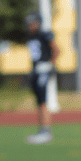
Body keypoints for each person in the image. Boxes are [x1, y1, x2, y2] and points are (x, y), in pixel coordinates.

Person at [25, 12, 58, 144]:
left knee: (43, 100)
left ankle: (46, 130)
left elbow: (56, 50)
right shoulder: (30, 36)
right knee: (39, 100)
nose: (29, 25)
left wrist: (50, 65)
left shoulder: (44, 35)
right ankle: (41, 129)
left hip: (44, 69)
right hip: (36, 70)